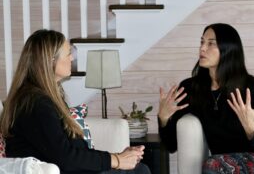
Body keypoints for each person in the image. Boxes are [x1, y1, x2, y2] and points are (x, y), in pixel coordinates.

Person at [0, 29, 151, 174]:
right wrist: (117, 160)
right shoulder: (34, 104)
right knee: (140, 171)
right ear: (50, 61)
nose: (72, 58)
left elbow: (73, 150)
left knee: (139, 169)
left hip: (67, 168)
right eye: (68, 54)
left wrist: (118, 157)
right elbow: (65, 157)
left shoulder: (46, 97)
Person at [158, 23, 254, 173]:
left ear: (228, 49)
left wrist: (250, 129)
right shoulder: (191, 88)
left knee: (213, 165)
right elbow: (172, 145)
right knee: (213, 165)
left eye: (210, 44)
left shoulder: (251, 86)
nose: (202, 48)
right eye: (202, 42)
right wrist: (163, 119)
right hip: (223, 165)